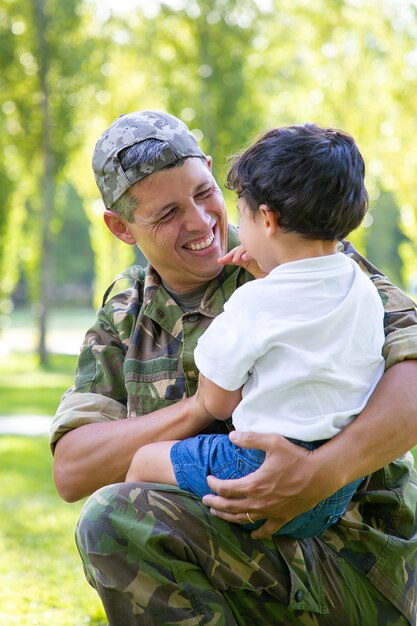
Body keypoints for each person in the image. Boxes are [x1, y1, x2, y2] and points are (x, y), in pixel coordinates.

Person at [50, 110, 417, 626]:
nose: (200, 222)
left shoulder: (307, 262)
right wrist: (199, 409)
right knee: (113, 517)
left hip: (350, 562)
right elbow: (73, 469)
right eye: (167, 213)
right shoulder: (124, 315)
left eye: (205, 193)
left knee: (121, 511)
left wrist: (319, 472)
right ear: (121, 227)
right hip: (234, 550)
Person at [125, 124, 386, 540]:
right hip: (336, 488)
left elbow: (219, 400)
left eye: (241, 214)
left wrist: (260, 290)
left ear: (267, 219)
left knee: (141, 465)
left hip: (257, 469)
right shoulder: (362, 287)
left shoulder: (253, 302)